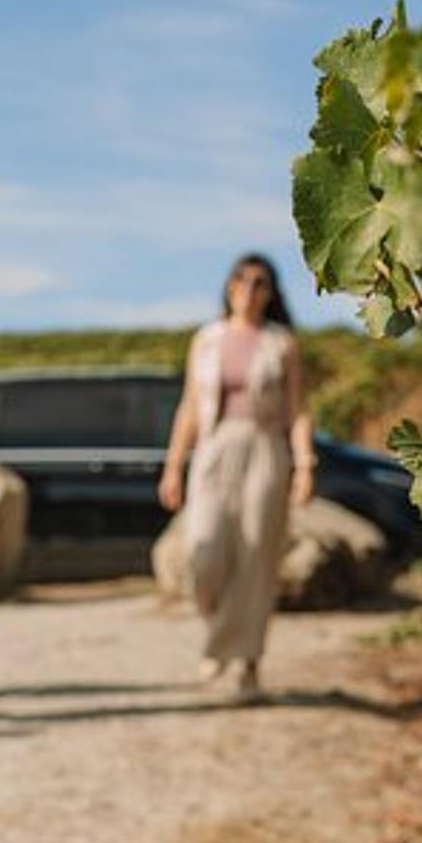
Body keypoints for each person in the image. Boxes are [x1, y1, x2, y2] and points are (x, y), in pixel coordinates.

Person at [158, 253, 314, 701]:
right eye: (241, 279)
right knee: (202, 554)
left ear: (271, 292)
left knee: (256, 557)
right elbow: (189, 407)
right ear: (229, 287)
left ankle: (247, 665)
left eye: (260, 281)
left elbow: (298, 409)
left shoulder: (282, 343)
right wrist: (173, 466)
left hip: (265, 448)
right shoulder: (206, 340)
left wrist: (304, 465)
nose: (249, 287)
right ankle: (220, 637)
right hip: (213, 447)